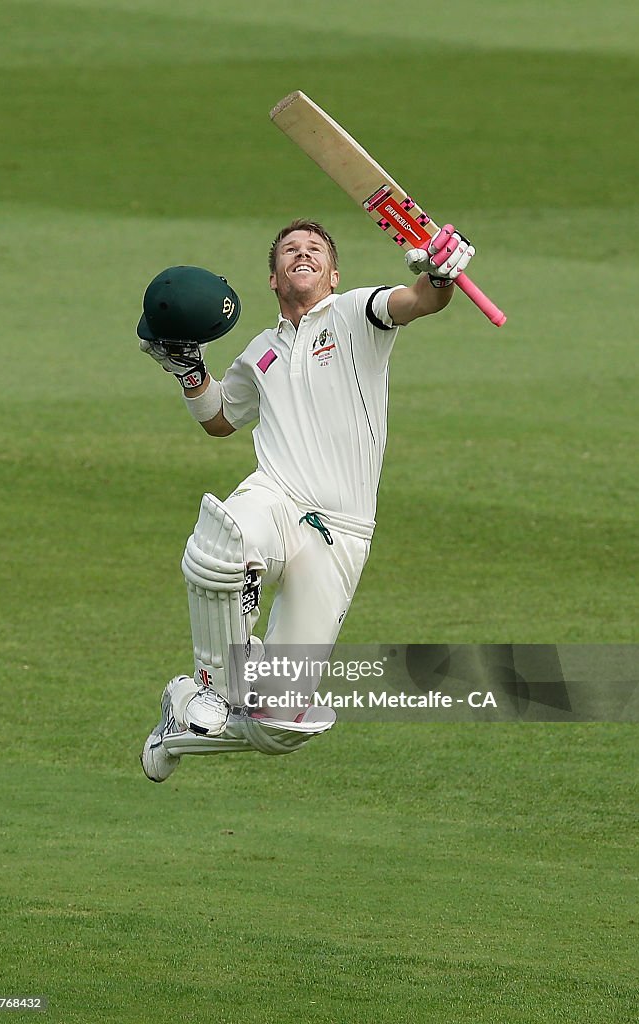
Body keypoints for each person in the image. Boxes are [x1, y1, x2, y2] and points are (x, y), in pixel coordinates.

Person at [138, 218, 475, 781]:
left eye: (315, 249)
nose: (303, 253)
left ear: (333, 273)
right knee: (224, 545)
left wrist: (440, 274)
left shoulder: (355, 314)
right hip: (278, 496)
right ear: (273, 279)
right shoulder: (259, 351)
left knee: (278, 723)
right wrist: (189, 371)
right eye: (290, 249)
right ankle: (210, 688)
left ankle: (181, 727)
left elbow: (418, 300)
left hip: (343, 530)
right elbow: (222, 419)